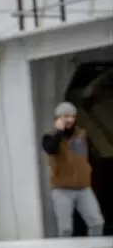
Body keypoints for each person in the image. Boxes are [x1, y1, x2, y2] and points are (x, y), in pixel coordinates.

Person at [43, 100, 105, 236]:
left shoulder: (83, 135)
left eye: (72, 116)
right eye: (65, 116)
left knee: (97, 222)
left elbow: (90, 157)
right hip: (62, 188)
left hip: (83, 188)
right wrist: (59, 132)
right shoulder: (50, 136)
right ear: (58, 118)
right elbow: (50, 149)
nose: (70, 119)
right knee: (65, 229)